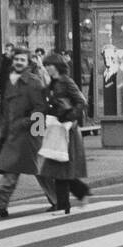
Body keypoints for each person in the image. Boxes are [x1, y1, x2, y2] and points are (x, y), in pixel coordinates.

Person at [0, 47, 47, 216]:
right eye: (16, 59)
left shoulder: (33, 82)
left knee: (37, 170)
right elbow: (7, 109)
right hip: (14, 133)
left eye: (22, 60)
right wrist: (3, 132)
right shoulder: (11, 80)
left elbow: (41, 108)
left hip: (28, 134)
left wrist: (34, 131)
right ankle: (0, 204)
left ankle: (58, 199)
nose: (19, 62)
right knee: (14, 169)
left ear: (28, 63)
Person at [36, 53, 91, 213]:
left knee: (60, 167)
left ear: (57, 66)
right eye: (45, 66)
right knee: (58, 167)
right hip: (55, 128)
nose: (47, 68)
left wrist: (69, 116)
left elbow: (81, 101)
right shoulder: (51, 84)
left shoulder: (66, 81)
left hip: (67, 130)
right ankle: (78, 194)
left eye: (50, 65)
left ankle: (64, 204)